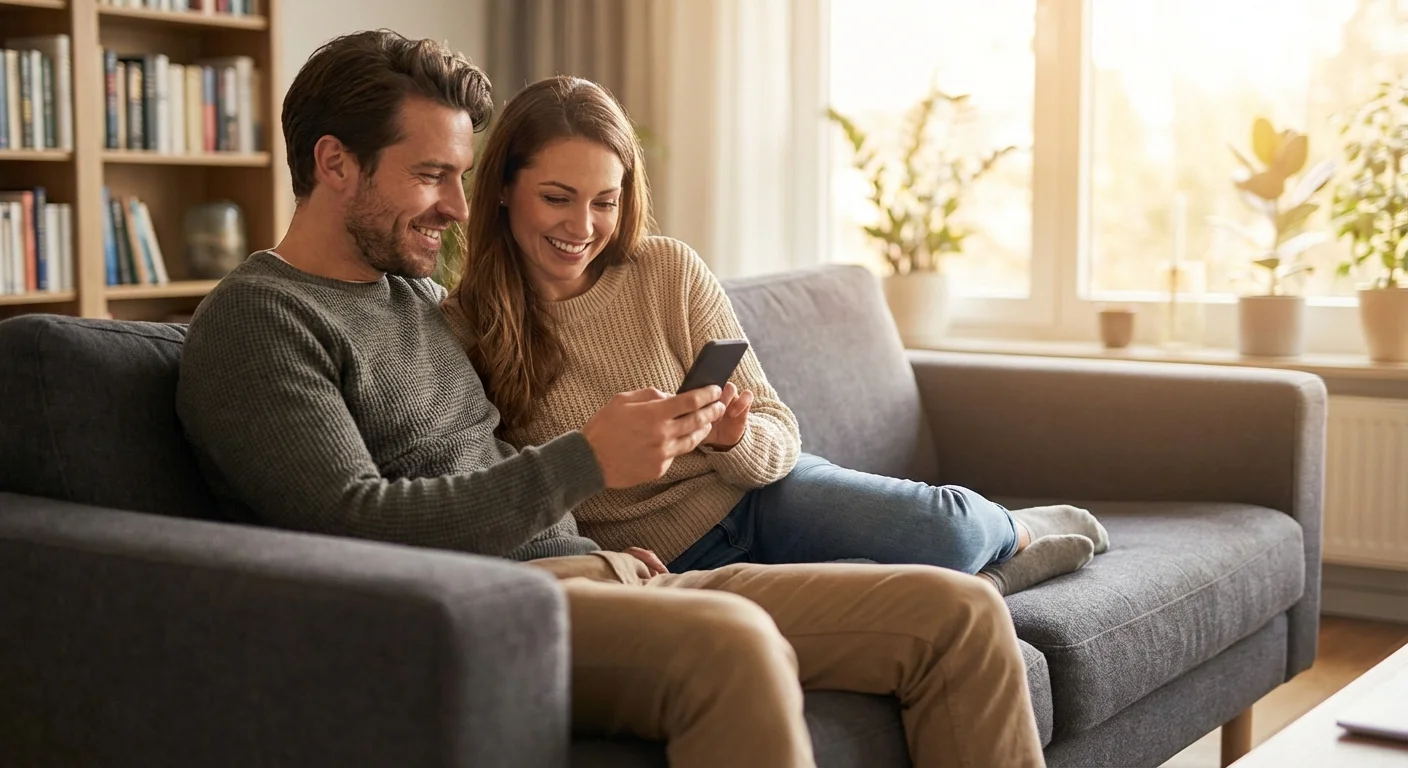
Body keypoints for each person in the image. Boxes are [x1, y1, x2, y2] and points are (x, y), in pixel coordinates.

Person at [174, 30, 1046, 768]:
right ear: (334, 163)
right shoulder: (260, 320)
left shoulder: (412, 297)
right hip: (487, 610)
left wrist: (602, 547)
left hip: (610, 575)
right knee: (735, 644)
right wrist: (587, 461)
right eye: (432, 175)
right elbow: (352, 526)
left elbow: (487, 454)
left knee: (958, 612)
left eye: (461, 177)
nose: (458, 209)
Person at [443, 75, 1108, 596]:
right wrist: (596, 558)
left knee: (948, 532)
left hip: (763, 499)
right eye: (556, 198)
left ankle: (1019, 532)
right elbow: (500, 501)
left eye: (605, 202)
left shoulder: (665, 270)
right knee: (910, 592)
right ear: (502, 190)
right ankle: (992, 573)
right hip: (666, 562)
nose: (583, 226)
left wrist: (732, 438)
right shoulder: (463, 329)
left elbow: (779, 431)